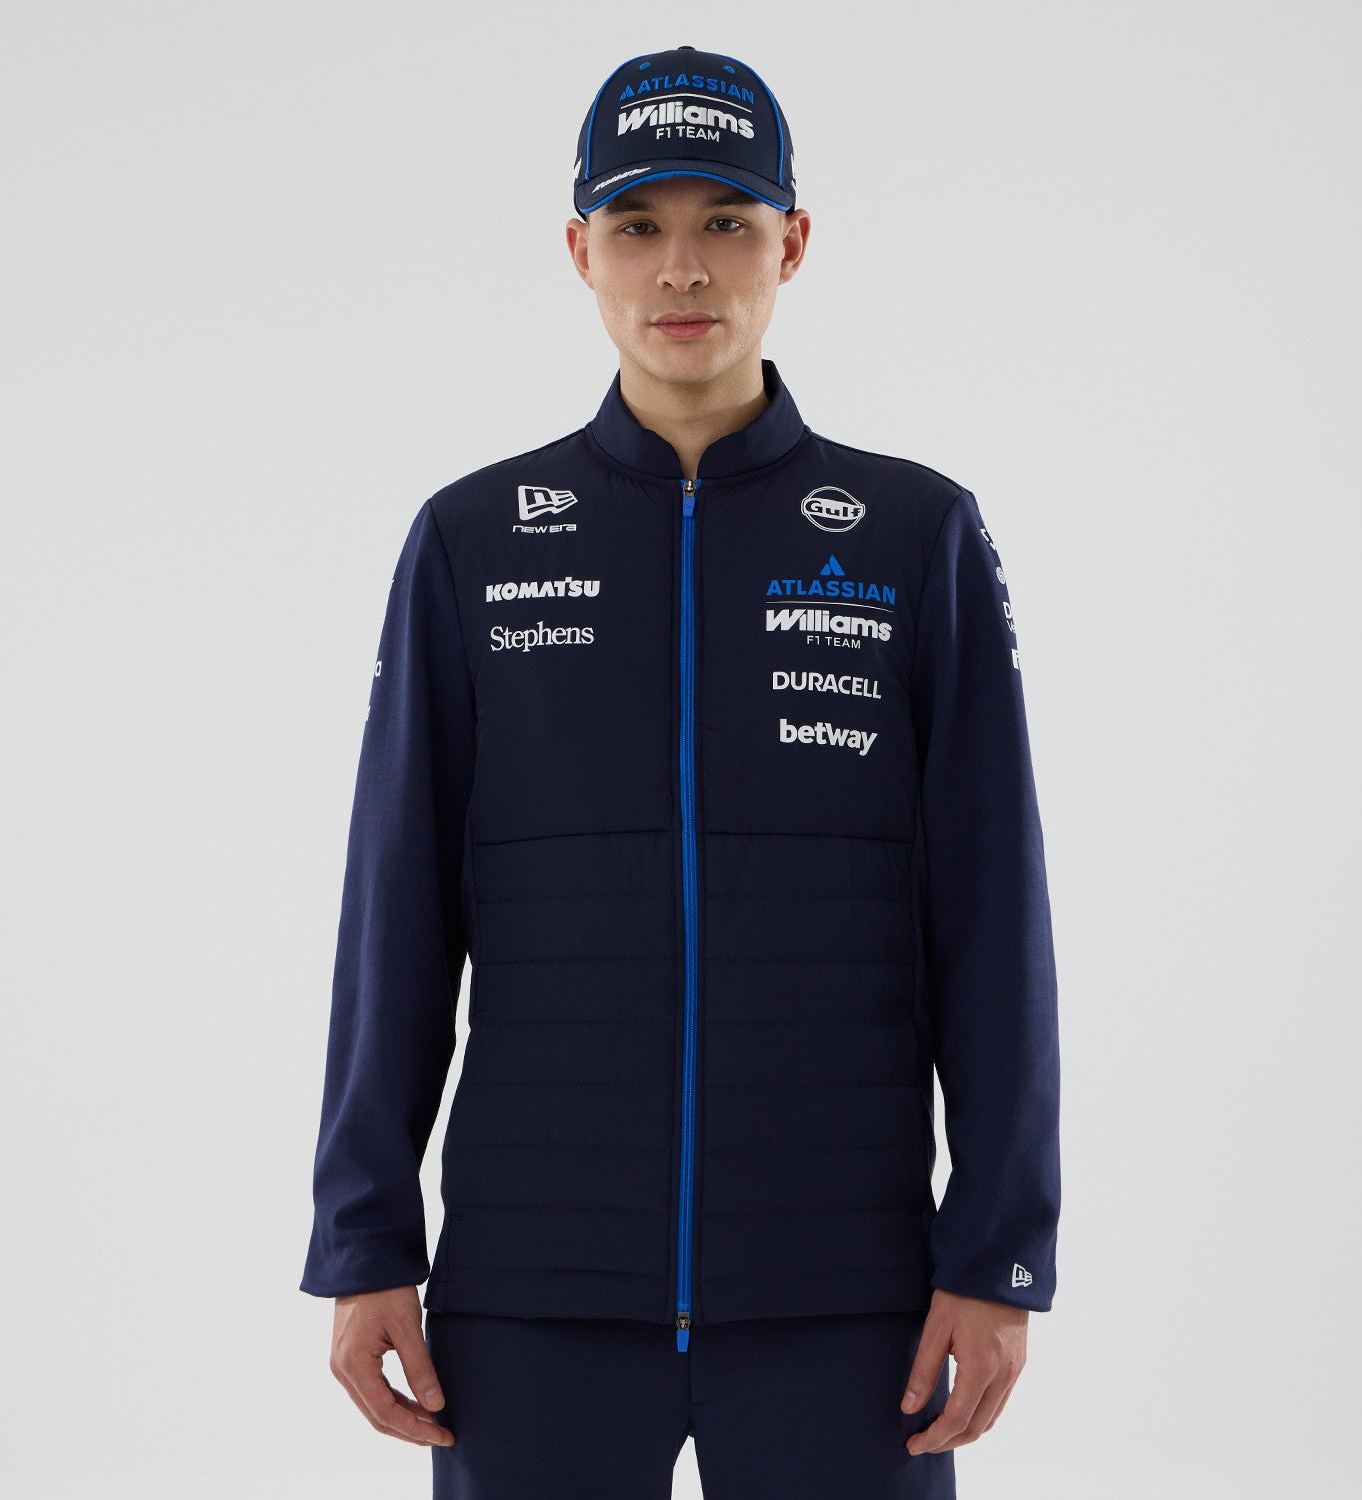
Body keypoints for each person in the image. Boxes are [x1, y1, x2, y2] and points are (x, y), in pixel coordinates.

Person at [300, 43, 1061, 1499]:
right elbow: (394, 915)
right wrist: (364, 1237)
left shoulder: (918, 537)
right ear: (579, 249)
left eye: (728, 221)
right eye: (639, 225)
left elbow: (993, 921)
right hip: (534, 1291)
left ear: (795, 243)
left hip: (853, 1295)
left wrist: (999, 1251)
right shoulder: (471, 542)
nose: (684, 268)